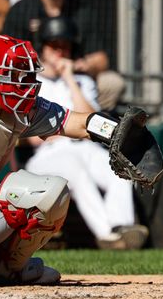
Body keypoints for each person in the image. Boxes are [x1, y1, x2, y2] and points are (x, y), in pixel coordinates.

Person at [0, 34, 132, 284]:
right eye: (9, 76)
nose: (20, 84)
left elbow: (75, 122)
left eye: (21, 75)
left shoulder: (20, 110)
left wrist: (117, 133)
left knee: (50, 192)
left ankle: (3, 269)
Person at [23, 16, 148, 250]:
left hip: (85, 146)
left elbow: (94, 123)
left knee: (119, 167)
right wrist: (71, 131)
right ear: (43, 48)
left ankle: (123, 227)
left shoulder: (81, 81)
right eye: (54, 45)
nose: (60, 51)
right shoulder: (32, 80)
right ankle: (107, 235)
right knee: (77, 172)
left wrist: (70, 78)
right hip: (49, 153)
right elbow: (36, 136)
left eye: (64, 45)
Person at [2, 0, 124, 111]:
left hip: (76, 76)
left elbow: (101, 59)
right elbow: (8, 57)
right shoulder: (22, 10)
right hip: (33, 77)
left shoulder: (82, 10)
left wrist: (75, 66)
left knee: (113, 82)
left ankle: (98, 126)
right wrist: (43, 67)